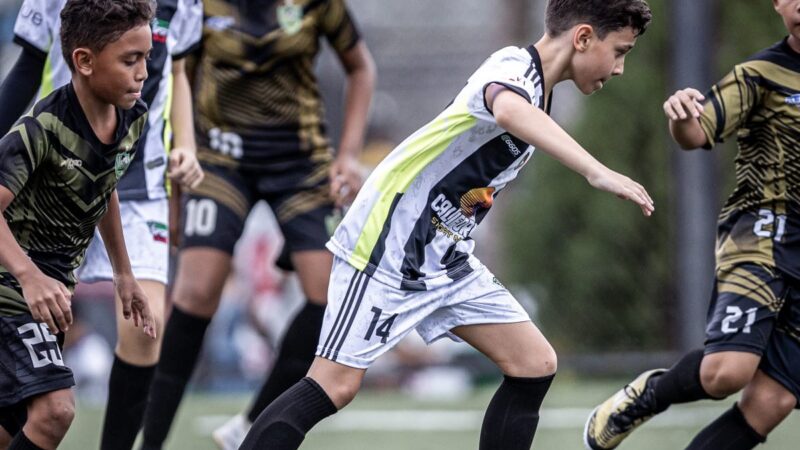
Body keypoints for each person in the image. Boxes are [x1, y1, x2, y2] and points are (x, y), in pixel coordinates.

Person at [238, 1, 655, 449]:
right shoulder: (513, 66)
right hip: (390, 241)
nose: (619, 69)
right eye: (620, 51)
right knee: (333, 385)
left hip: (444, 254)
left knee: (533, 363)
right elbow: (510, 112)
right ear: (583, 38)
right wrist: (596, 170)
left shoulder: (541, 93)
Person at [139, 0, 376, 449]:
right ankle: (150, 443)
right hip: (220, 158)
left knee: (330, 298)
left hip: (301, 162)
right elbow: (178, 77)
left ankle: (250, 424)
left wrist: (348, 153)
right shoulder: (198, 5)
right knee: (196, 293)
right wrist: (175, 176)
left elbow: (361, 67)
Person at [584, 1, 800, 449]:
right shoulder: (759, 74)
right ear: (777, 5)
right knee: (728, 373)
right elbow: (698, 133)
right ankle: (647, 395)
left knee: (773, 401)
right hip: (763, 236)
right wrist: (682, 117)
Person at [0, 0, 204, 448]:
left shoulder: (132, 120)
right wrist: (29, 276)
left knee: (14, 423)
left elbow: (103, 181)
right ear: (84, 61)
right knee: (54, 410)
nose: (144, 73)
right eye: (131, 60)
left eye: (147, 57)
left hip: (67, 262)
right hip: (23, 259)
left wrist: (124, 274)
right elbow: (26, 67)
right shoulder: (41, 132)